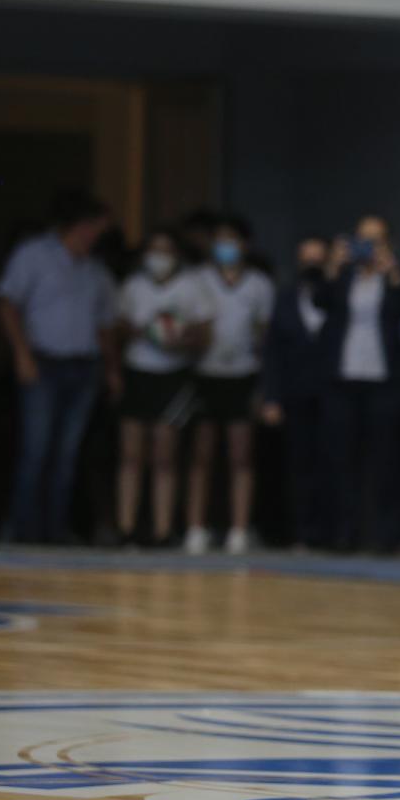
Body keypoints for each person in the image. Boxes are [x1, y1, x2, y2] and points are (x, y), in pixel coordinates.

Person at [0, 189, 120, 544]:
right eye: (96, 227)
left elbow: (106, 325)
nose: (100, 235)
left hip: (83, 369)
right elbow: (6, 304)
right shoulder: (34, 256)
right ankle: (23, 531)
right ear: (79, 225)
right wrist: (21, 354)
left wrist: (112, 369)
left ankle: (53, 532)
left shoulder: (95, 269)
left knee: (67, 457)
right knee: (36, 450)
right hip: (43, 364)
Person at [318, 215, 400, 554]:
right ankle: (344, 532)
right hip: (344, 380)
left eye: (375, 240)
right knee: (342, 459)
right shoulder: (344, 277)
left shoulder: (394, 278)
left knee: (386, 461)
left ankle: (386, 535)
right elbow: (320, 301)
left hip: (384, 381)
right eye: (362, 239)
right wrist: (332, 265)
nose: (368, 247)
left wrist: (393, 272)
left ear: (388, 244)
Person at [113, 227, 211, 548]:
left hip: (173, 376)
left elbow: (204, 335)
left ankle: (162, 529)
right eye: (153, 250)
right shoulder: (132, 287)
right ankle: (126, 528)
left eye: (166, 250)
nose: (159, 257)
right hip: (138, 372)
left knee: (164, 454)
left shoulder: (191, 287)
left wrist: (179, 338)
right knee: (131, 454)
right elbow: (117, 328)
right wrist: (142, 333)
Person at [186, 214, 272, 554]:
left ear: (244, 245)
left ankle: (238, 529)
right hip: (205, 373)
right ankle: (196, 528)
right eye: (219, 241)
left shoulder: (259, 285)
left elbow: (264, 334)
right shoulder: (197, 280)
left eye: (231, 240)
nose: (225, 247)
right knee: (201, 455)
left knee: (241, 455)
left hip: (242, 373)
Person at [259, 237, 338, 551]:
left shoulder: (340, 294)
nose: (313, 265)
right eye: (307, 258)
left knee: (331, 463)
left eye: (319, 258)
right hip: (295, 393)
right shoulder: (285, 298)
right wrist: (271, 396)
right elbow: (273, 351)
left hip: (334, 394)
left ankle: (331, 531)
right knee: (298, 466)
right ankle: (301, 531)